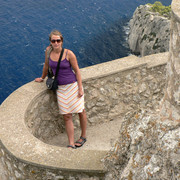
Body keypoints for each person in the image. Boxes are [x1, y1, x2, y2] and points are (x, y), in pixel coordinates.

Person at [35, 30, 87, 149]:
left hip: (73, 86)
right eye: (53, 41)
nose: (56, 43)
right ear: (50, 42)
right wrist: (42, 78)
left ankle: (83, 136)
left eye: (58, 40)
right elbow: (46, 66)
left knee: (81, 111)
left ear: (62, 41)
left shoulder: (69, 54)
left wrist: (80, 88)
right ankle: (71, 143)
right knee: (67, 116)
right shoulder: (48, 52)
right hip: (61, 89)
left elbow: (77, 71)